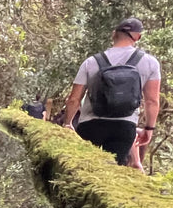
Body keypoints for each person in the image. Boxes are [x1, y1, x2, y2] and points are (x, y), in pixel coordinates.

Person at [62, 17, 160, 167]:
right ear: (138, 37)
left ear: (113, 34)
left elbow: (74, 99)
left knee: (83, 168)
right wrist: (149, 128)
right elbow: (152, 101)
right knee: (112, 170)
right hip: (124, 126)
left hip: (90, 125)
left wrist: (67, 123)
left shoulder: (91, 62)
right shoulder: (150, 63)